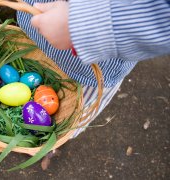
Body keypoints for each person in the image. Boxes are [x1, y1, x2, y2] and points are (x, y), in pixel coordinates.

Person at [16, 0, 170, 167]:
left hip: (89, 64)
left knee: (73, 114)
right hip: (33, 25)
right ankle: (38, 131)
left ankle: (53, 140)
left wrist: (79, 23)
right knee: (28, 64)